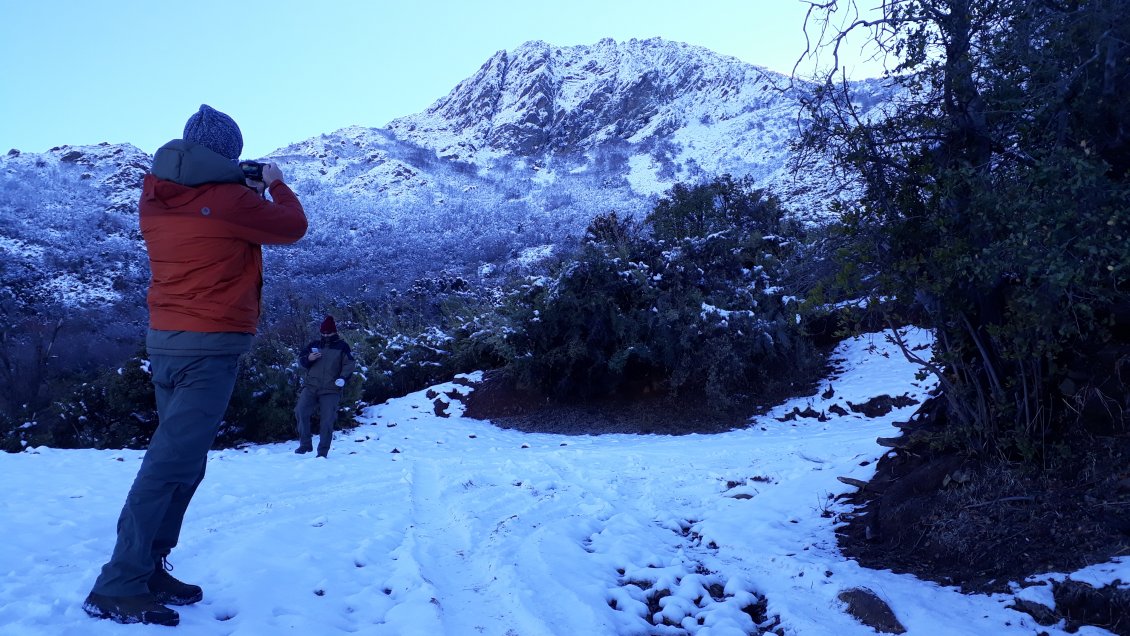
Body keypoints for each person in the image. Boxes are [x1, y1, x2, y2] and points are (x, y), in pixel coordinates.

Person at [83, 104, 308, 626]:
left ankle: (148, 566)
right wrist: (274, 184)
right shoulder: (231, 200)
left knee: (185, 461)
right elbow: (292, 227)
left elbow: (213, 231)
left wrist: (239, 192)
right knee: (168, 466)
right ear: (228, 154)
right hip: (210, 348)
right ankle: (118, 584)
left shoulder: (156, 195)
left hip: (166, 342)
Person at [295, 315, 357, 458]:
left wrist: (343, 378)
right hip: (310, 386)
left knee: (327, 420)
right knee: (300, 411)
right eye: (323, 332)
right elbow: (301, 361)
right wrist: (308, 359)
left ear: (334, 332)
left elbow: (349, 363)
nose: (325, 335)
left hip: (331, 389)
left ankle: (322, 452)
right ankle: (305, 445)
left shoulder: (343, 347)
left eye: (328, 332)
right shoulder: (313, 345)